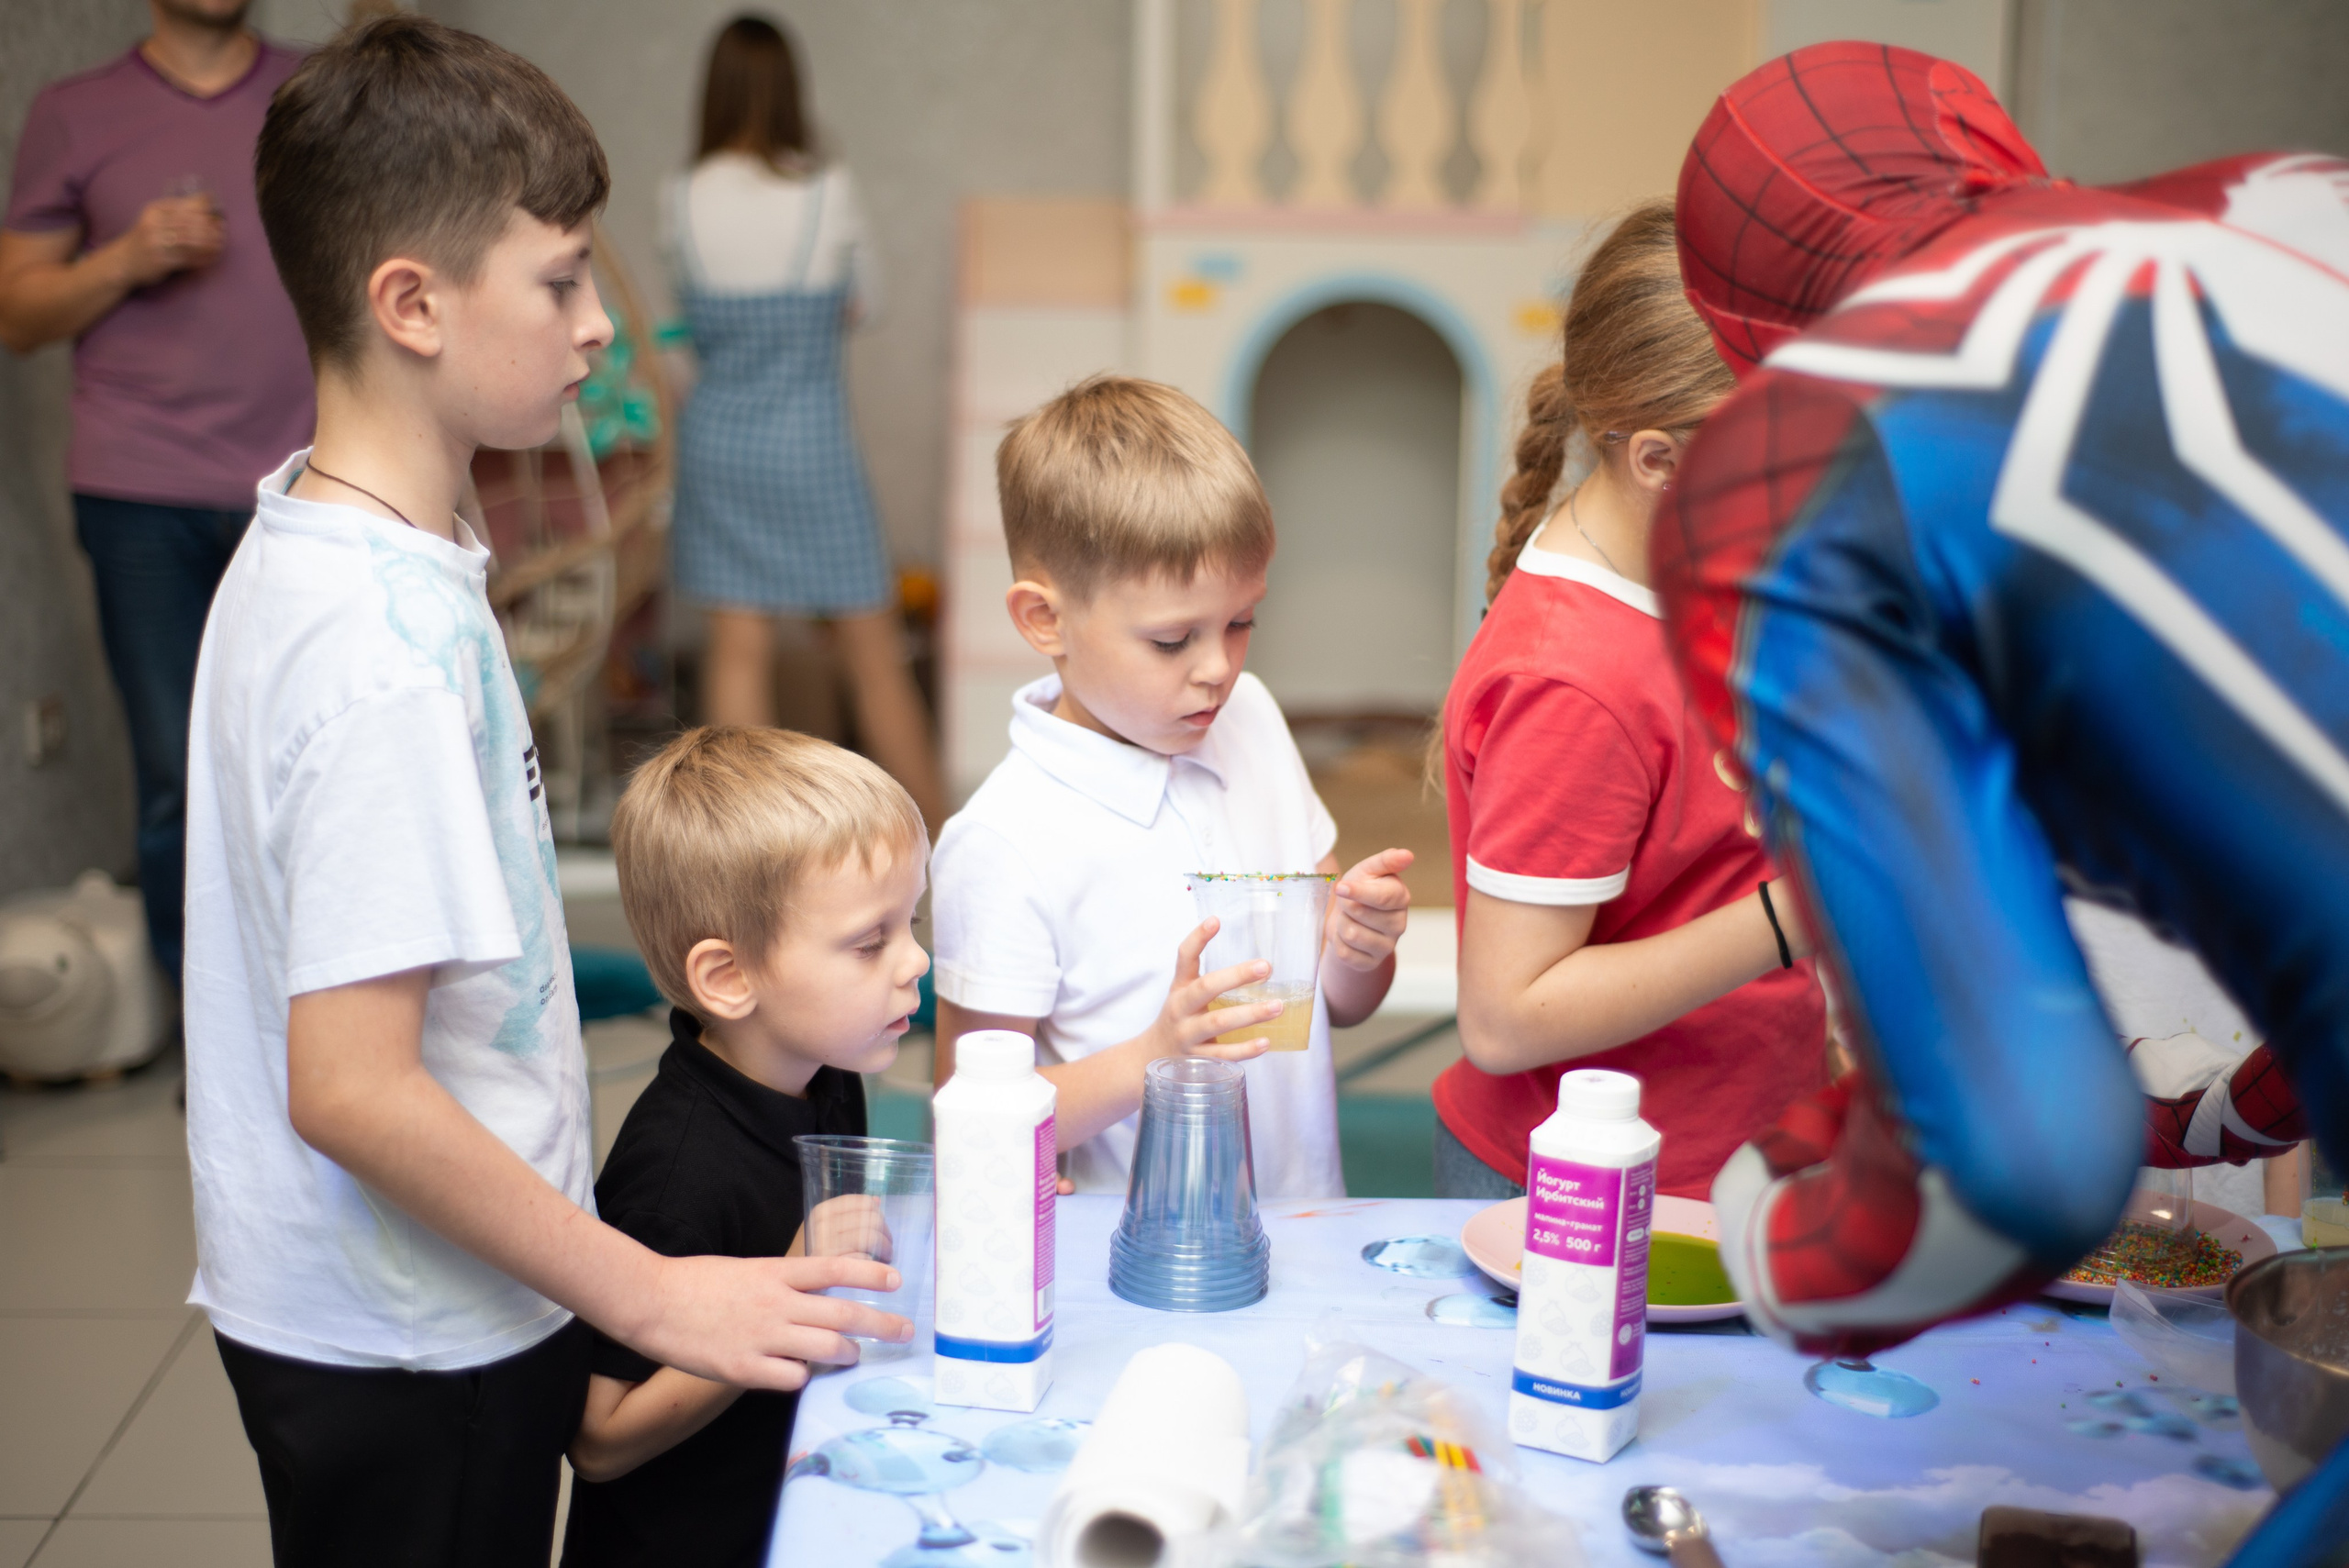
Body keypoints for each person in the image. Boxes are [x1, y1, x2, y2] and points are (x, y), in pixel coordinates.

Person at [184, 20, 905, 1565]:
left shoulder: (354, 551)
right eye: (561, 278)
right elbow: (353, 1082)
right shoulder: (378, 645)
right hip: (412, 1333)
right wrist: (648, 1292)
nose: (599, 327)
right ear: (412, 303)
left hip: (416, 1304)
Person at [1656, 41, 2339, 1384]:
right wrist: (2212, 1112)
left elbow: (2013, 1165)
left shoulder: (1820, 511)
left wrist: (1776, 1232)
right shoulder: (2288, 217)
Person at [929, 376, 1413, 1199]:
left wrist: (1361, 948)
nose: (1218, 668)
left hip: (1302, 1227)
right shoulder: (1004, 839)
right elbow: (969, 1120)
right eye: (1170, 639)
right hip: (1130, 1272)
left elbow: (1339, 1004)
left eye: (1240, 621)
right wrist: (1156, 1051)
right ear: (1044, 620)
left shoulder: (1252, 718)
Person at [1432, 202, 1828, 1203]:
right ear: (1657, 461)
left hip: (1721, 1155)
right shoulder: (1576, 681)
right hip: (1586, 1195)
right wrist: (1798, 912)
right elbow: (1505, 1016)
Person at [0, 0, 314, 984]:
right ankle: (207, 1033)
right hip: (140, 488)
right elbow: (17, 312)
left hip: (309, 486)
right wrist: (129, 257)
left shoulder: (315, 91)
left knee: (315, 764)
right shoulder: (74, 110)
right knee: (179, 777)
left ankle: (329, 1023)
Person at [563, 727, 929, 1568]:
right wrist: (786, 1297)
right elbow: (600, 1439)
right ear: (729, 977)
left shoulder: (828, 1073)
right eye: (871, 941)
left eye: (911, 920)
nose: (917, 959)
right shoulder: (676, 1171)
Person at [665, 13, 945, 829]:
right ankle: (945, 849)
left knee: (739, 647)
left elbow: (682, 341)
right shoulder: (828, 190)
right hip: (811, 444)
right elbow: (869, 303)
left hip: (719, 442)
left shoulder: (680, 196)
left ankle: (745, 852)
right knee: (874, 656)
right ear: (793, 91)